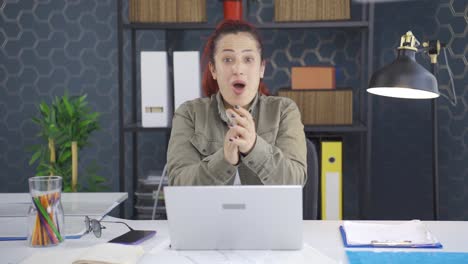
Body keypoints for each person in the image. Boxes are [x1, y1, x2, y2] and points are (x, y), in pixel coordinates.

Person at [167, 20, 306, 186]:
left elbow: (296, 180)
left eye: (248, 59)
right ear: (213, 69)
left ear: (261, 68)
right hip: (207, 212)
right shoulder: (189, 113)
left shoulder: (284, 110)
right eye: (227, 59)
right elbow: (178, 182)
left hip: (267, 212)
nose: (238, 68)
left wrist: (254, 147)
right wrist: (224, 160)